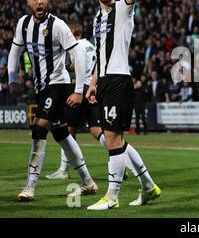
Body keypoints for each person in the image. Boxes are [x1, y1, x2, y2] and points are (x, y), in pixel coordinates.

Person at [85, 0, 160, 210]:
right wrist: (93, 82)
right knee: (118, 140)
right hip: (104, 81)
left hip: (118, 81)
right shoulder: (96, 18)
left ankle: (112, 197)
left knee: (113, 139)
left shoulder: (123, 9)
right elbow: (100, 54)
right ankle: (148, 187)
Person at [7, 0, 97, 202]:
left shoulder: (58, 25)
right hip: (41, 87)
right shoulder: (24, 24)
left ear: (47, 1)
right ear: (28, 2)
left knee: (39, 127)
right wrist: (11, 79)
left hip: (58, 84)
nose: (39, 2)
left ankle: (30, 186)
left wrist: (77, 90)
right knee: (61, 134)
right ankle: (87, 181)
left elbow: (79, 56)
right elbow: (15, 51)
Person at [46, 23, 135, 179]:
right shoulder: (91, 45)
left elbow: (77, 64)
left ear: (73, 32)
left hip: (80, 89)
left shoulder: (76, 46)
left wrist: (68, 68)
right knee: (96, 129)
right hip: (93, 87)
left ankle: (63, 170)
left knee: (69, 129)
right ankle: (122, 162)